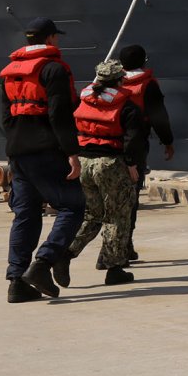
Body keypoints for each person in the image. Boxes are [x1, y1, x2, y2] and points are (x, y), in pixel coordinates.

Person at [0, 17, 85, 302]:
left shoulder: (11, 72)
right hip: (47, 150)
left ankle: (16, 281)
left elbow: (6, 116)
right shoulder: (53, 69)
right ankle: (43, 263)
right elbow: (59, 115)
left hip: (18, 152)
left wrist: (13, 150)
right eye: (56, 38)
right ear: (50, 39)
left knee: (26, 213)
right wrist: (72, 153)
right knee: (72, 207)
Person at [66, 60, 145, 286]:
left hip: (84, 164)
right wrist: (131, 165)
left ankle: (64, 254)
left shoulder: (84, 101)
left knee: (91, 216)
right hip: (111, 164)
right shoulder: (127, 107)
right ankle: (114, 269)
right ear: (121, 80)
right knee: (118, 217)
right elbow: (133, 140)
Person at [117, 43, 174, 263]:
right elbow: (159, 117)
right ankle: (124, 246)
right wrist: (168, 142)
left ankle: (108, 248)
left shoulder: (111, 83)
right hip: (136, 147)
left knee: (110, 200)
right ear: (144, 62)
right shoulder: (147, 85)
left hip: (106, 144)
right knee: (130, 198)